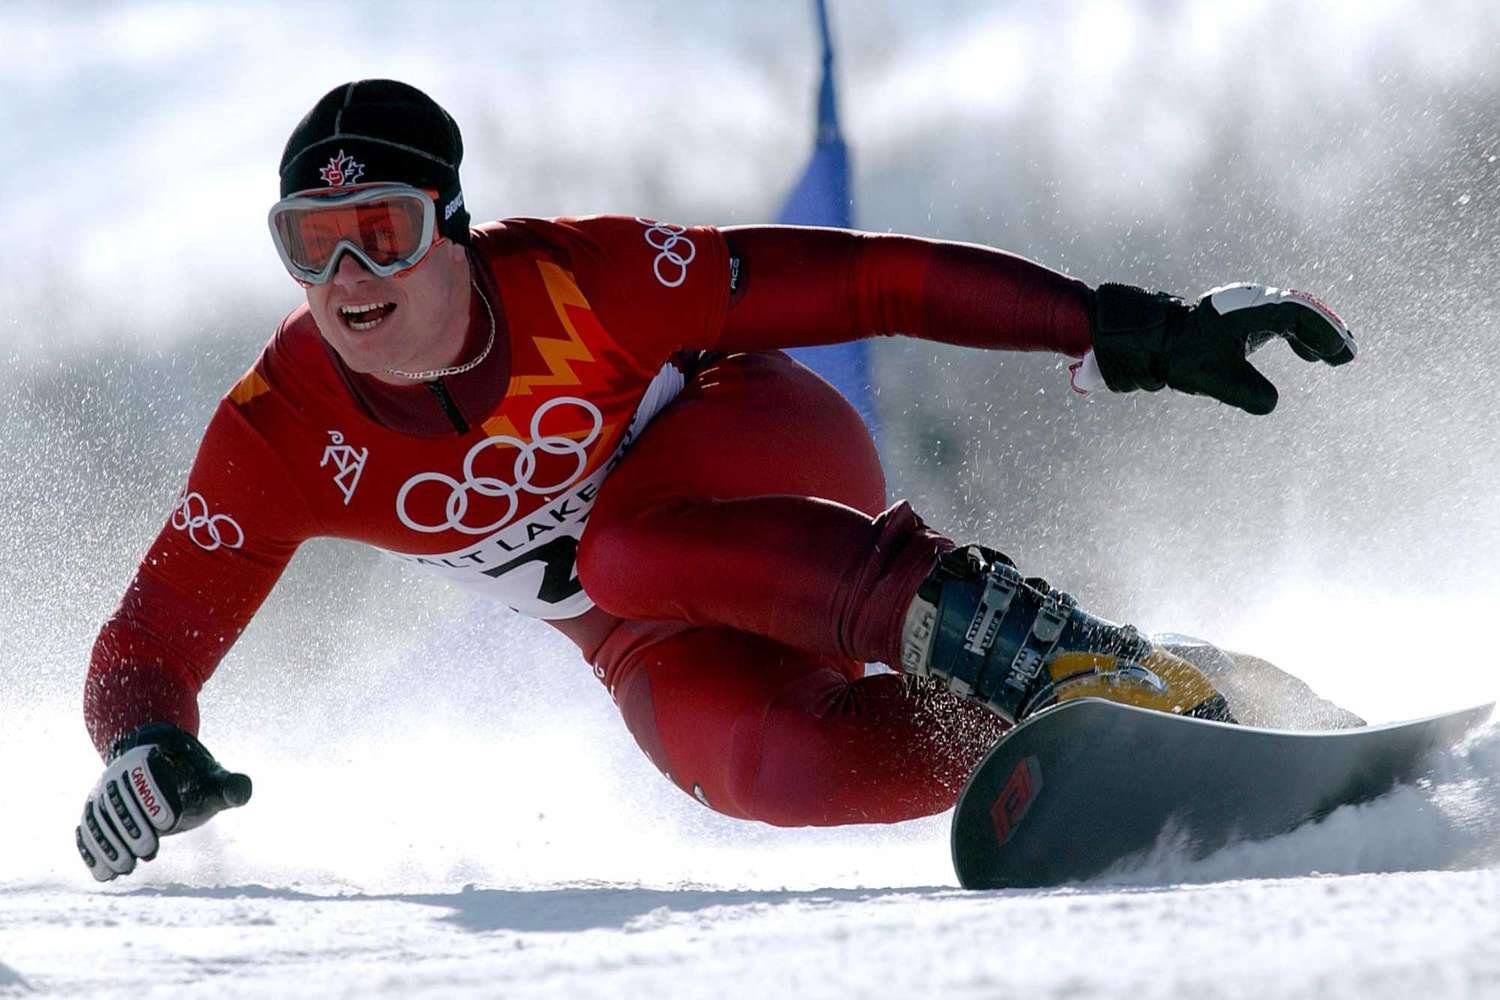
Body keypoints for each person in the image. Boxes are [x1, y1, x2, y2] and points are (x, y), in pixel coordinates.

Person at [75, 80, 1358, 882]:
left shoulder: (586, 279)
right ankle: (1100, 708)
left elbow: (871, 280)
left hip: (765, 458)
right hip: (638, 625)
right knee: (765, 767)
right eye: (310, 245)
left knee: (624, 546)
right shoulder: (279, 432)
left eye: (382, 234)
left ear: (453, 227)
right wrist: (144, 745)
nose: (349, 281)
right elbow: (148, 641)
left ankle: (1049, 651)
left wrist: (1124, 325)